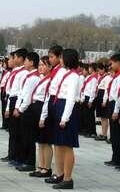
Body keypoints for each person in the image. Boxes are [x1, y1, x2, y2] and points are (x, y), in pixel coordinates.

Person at [49, 48, 80, 190]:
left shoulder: (74, 76)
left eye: (62, 58)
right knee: (59, 144)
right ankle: (61, 174)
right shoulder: (66, 74)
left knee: (67, 146)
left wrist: (64, 118)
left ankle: (68, 178)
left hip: (67, 110)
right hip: (59, 105)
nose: (60, 60)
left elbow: (71, 99)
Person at [39, 45, 65, 185]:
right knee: (54, 143)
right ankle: (56, 171)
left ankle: (59, 172)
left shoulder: (61, 72)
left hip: (57, 106)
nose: (50, 59)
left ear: (60, 57)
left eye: (51, 57)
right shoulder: (56, 71)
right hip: (52, 106)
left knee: (58, 144)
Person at [13, 52, 41, 172]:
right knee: (24, 136)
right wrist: (17, 106)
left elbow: (28, 97)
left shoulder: (34, 78)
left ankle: (29, 162)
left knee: (29, 137)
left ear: (32, 63)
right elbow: (22, 93)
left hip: (29, 110)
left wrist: (20, 109)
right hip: (24, 108)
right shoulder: (29, 76)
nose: (24, 63)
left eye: (26, 61)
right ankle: (25, 160)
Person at [4, 48, 28, 168]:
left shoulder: (24, 73)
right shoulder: (16, 71)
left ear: (22, 59)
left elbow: (20, 91)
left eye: (15, 57)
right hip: (12, 99)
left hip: (18, 100)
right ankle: (12, 154)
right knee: (13, 131)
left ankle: (17, 156)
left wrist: (16, 107)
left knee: (17, 132)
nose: (12, 60)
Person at [29, 56, 53, 178]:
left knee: (46, 140)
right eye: (39, 65)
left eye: (43, 65)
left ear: (50, 67)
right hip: (36, 107)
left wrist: (43, 116)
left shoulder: (50, 80)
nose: (40, 67)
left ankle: (47, 168)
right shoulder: (41, 79)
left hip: (44, 109)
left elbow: (47, 100)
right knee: (40, 141)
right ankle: (41, 166)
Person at [104, 54, 120, 167]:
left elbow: (119, 95)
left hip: (115, 105)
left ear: (118, 63)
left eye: (112, 63)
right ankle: (115, 156)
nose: (111, 66)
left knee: (117, 134)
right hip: (112, 103)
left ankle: (119, 158)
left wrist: (116, 111)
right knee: (114, 133)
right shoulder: (117, 76)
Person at [79, 63, 98, 138]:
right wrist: (83, 98)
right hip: (86, 97)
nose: (88, 69)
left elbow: (93, 90)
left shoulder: (93, 78)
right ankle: (88, 130)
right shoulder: (89, 77)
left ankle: (92, 131)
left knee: (90, 116)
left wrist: (90, 100)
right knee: (86, 116)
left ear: (92, 68)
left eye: (90, 68)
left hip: (90, 98)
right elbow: (85, 89)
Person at [95, 63, 112, 141]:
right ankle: (103, 133)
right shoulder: (101, 77)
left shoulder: (107, 77)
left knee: (104, 117)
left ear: (103, 69)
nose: (98, 72)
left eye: (99, 70)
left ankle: (104, 134)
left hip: (103, 96)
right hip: (100, 95)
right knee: (102, 117)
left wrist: (104, 100)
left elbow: (106, 89)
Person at [0, 56, 12, 130]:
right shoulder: (5, 72)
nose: (3, 64)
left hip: (6, 92)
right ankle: (4, 124)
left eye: (4, 63)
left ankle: (7, 124)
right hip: (3, 91)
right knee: (3, 109)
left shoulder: (10, 73)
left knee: (6, 108)